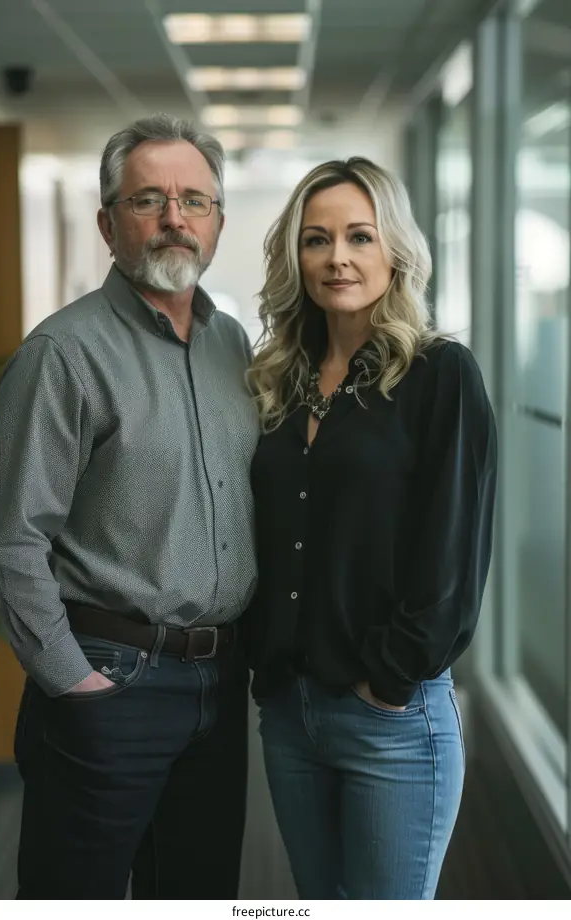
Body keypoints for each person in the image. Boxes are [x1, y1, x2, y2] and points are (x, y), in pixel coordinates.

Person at [0, 114, 260, 900]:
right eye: (148, 199)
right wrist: (74, 684)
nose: (176, 217)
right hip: (112, 682)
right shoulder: (63, 354)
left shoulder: (230, 344)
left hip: (217, 686)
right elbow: (12, 543)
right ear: (107, 223)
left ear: (218, 223)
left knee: (198, 895)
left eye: (195, 200)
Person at [244, 156, 497, 900]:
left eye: (360, 235)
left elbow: (454, 553)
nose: (338, 257)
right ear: (295, 256)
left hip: (389, 714)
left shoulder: (440, 374)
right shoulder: (277, 382)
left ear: (396, 250)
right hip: (290, 713)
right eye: (316, 239)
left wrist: (389, 678)